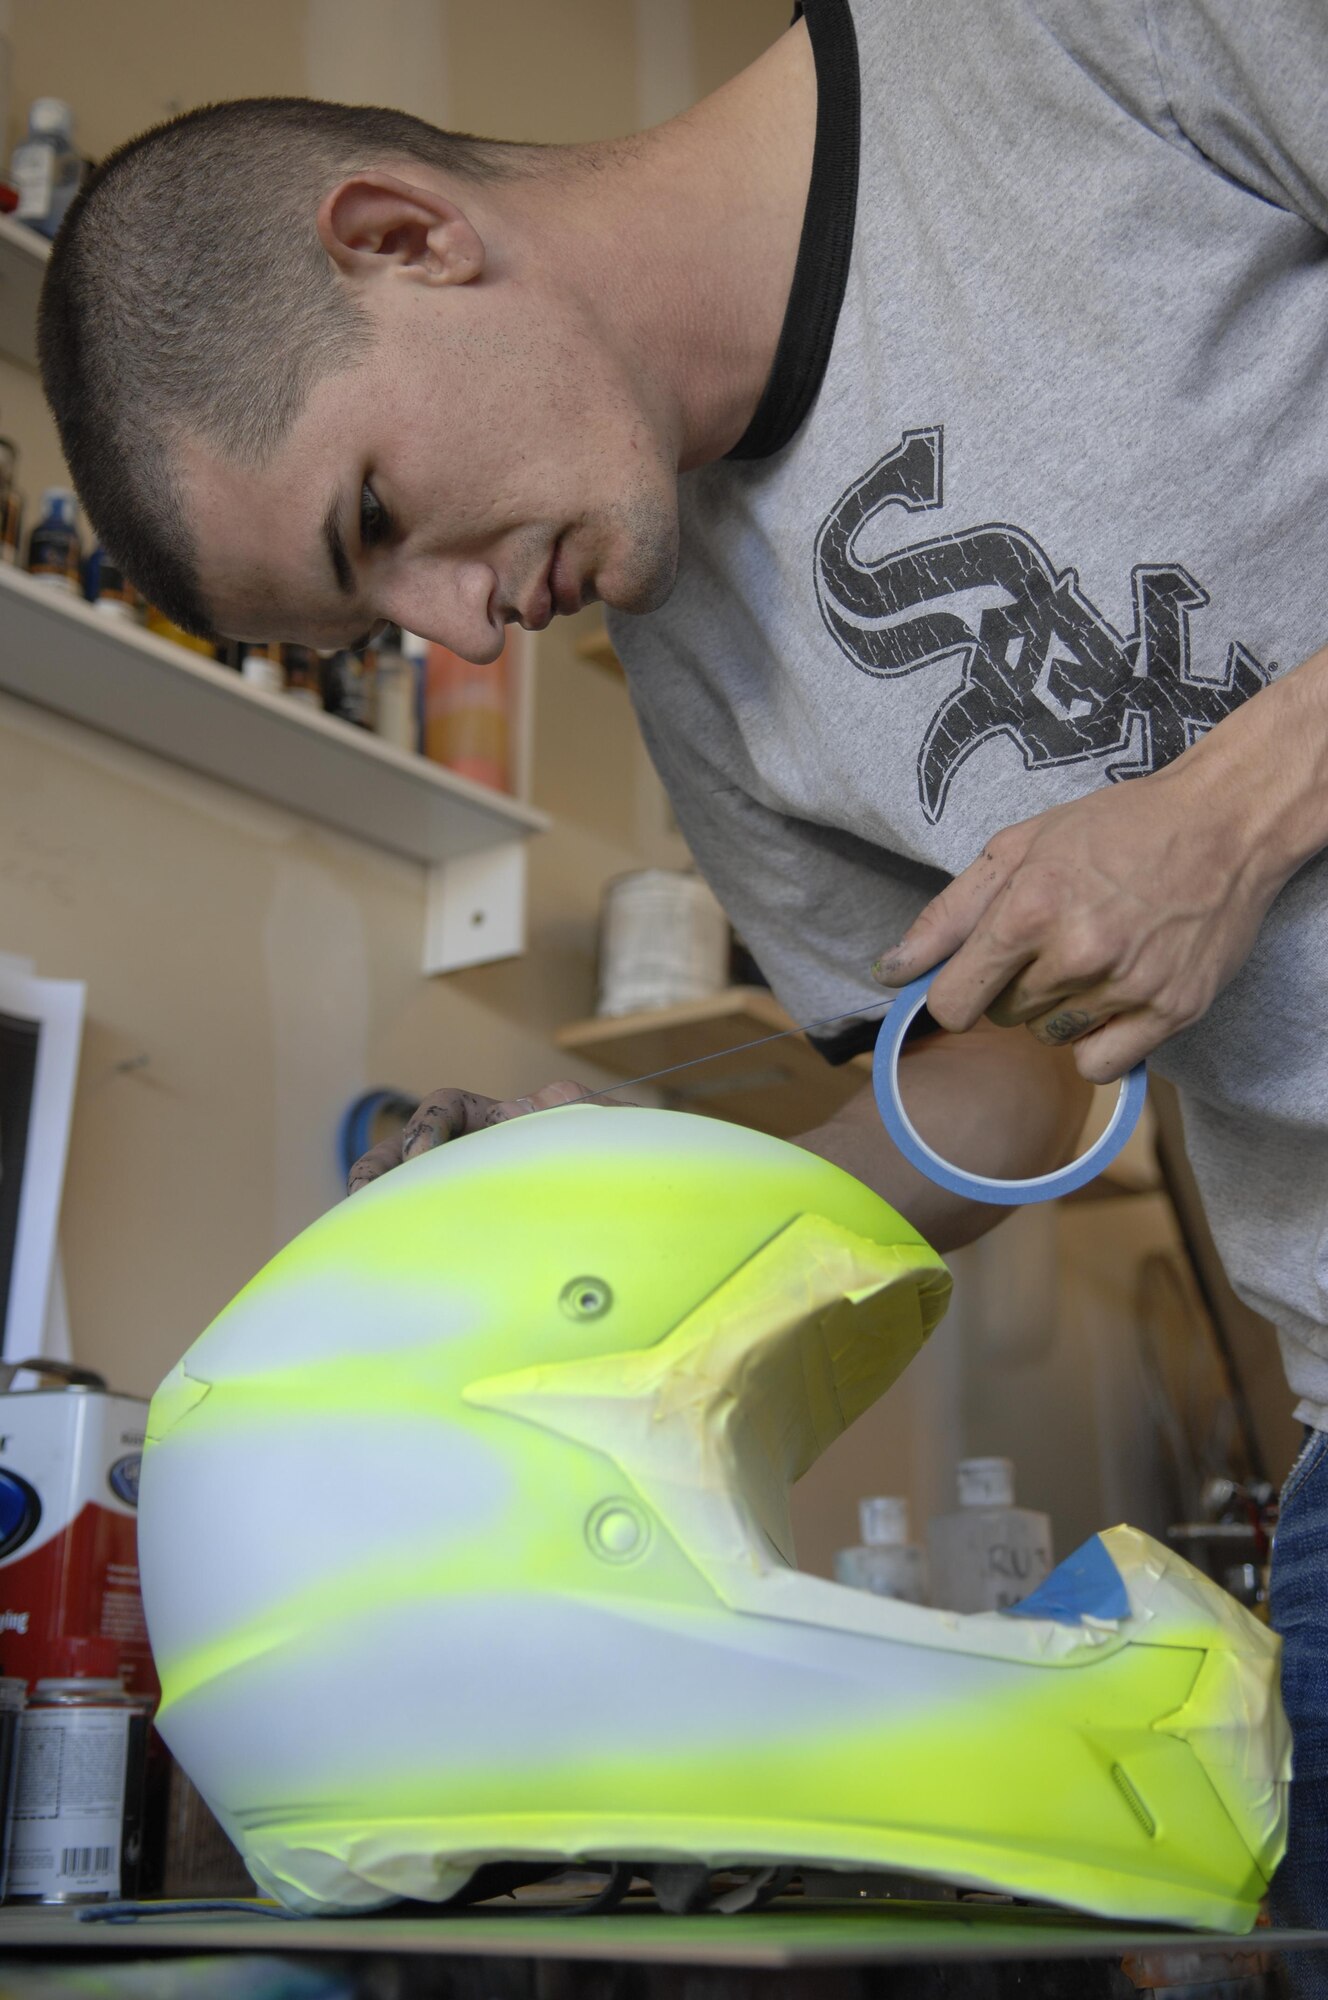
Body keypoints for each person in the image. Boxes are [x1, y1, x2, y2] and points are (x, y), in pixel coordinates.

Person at [35, 0, 1328, 1967]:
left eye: (378, 519)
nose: (460, 623)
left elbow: (1189, 864)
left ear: (402, 236)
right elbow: (990, 1093)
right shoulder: (699, 668)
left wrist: (1228, 813)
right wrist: (623, 1220)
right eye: (372, 612)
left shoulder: (1080, 41)